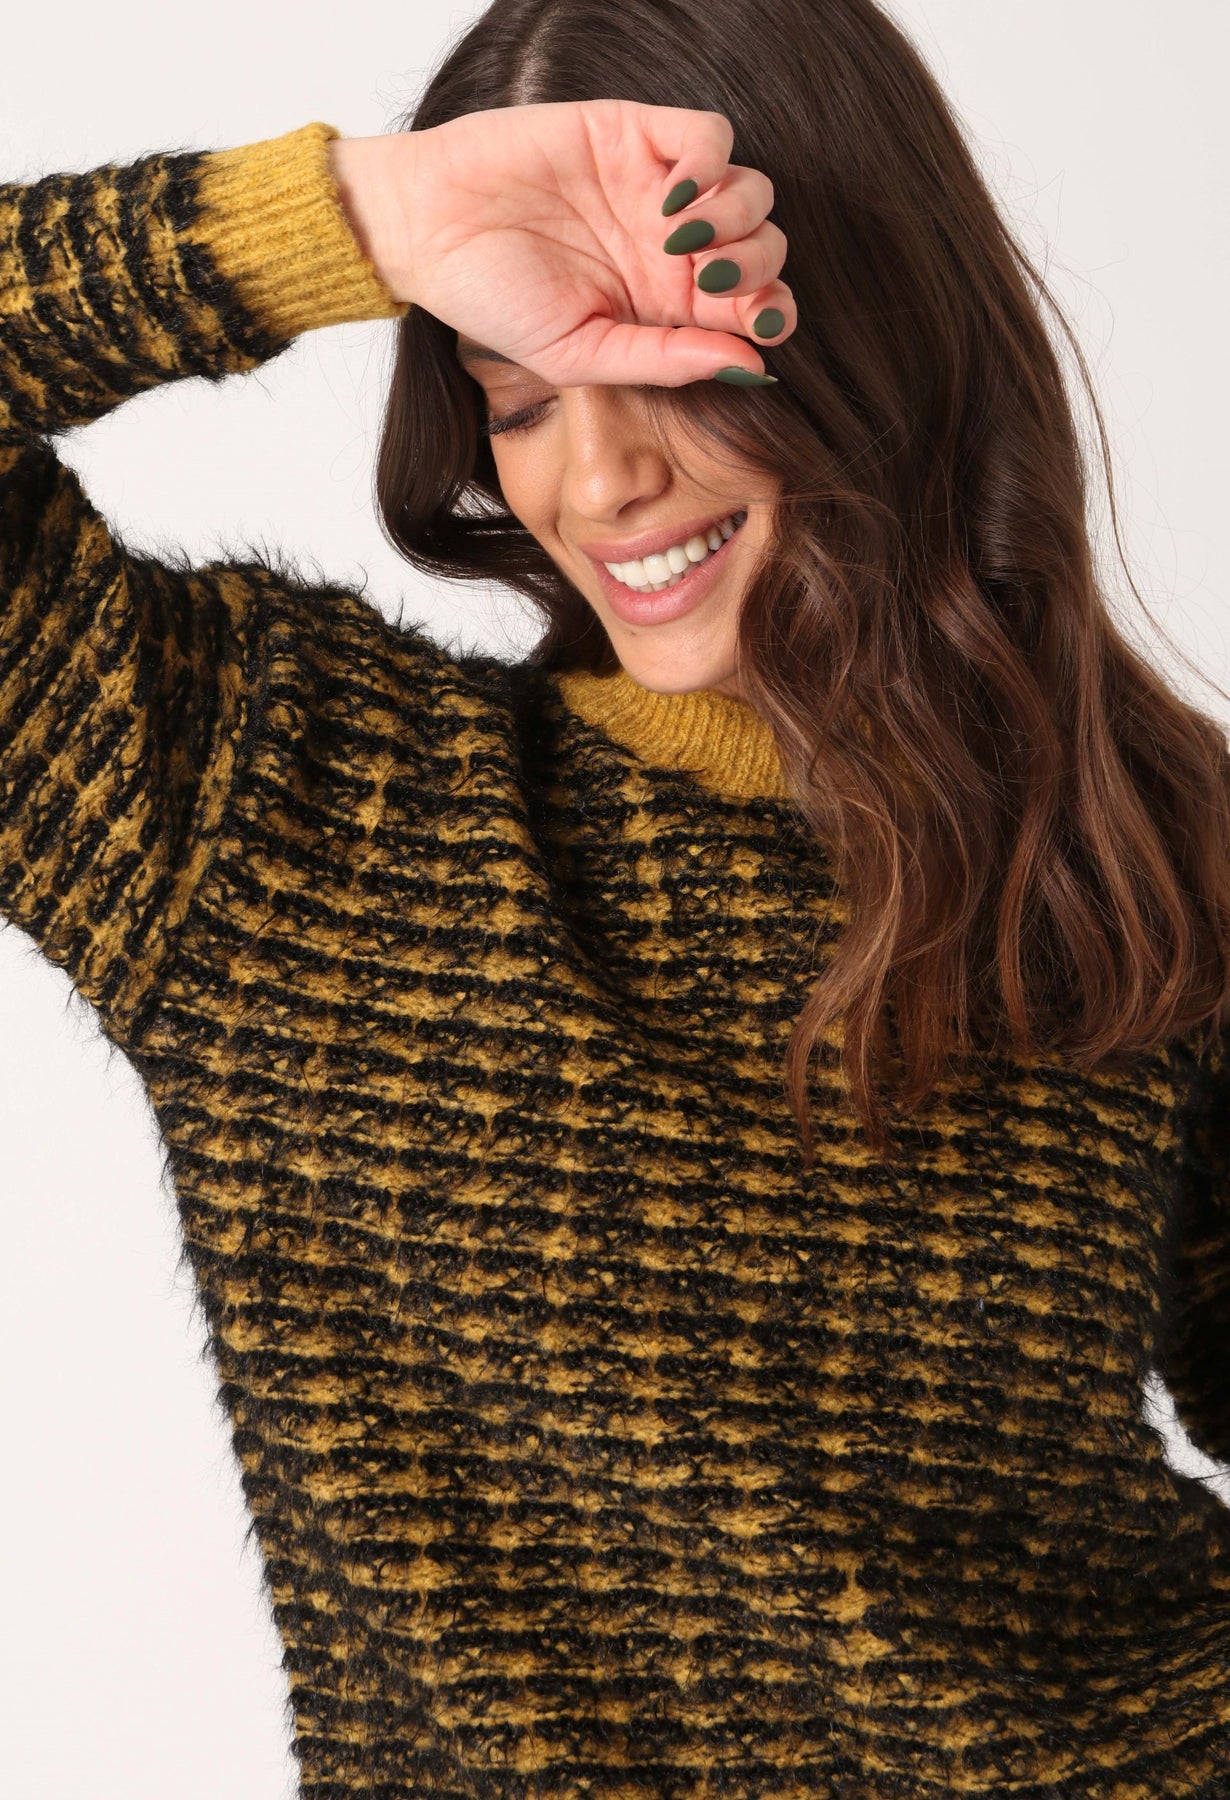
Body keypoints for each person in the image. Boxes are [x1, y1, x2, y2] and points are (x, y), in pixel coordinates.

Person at [2, 0, 1229, 1792]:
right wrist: (365, 216)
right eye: (514, 396)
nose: (594, 479)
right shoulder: (273, 797)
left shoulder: (1138, 853)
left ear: (870, 337)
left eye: (671, 364)